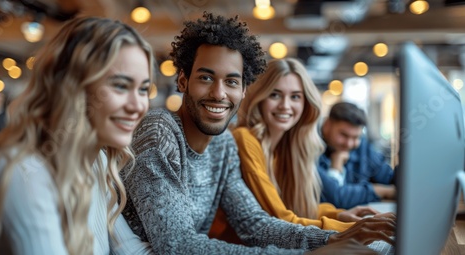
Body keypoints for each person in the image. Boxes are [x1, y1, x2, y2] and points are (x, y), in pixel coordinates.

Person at [121, 12, 394, 255]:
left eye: (231, 81)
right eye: (206, 77)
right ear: (183, 80)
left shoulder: (223, 144)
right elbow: (178, 246)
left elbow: (254, 223)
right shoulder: (159, 131)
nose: (219, 93)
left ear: (242, 91)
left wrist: (334, 237)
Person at [0, 17, 153, 255]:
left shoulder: (97, 160)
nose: (138, 105)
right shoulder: (23, 170)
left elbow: (130, 249)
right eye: (120, 85)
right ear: (74, 87)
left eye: (143, 89)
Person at [209, 58, 389, 244]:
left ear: (305, 104)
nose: (285, 106)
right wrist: (353, 228)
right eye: (275, 95)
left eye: (295, 96)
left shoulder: (284, 149)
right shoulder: (244, 139)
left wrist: (340, 215)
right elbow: (281, 220)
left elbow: (297, 208)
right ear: (260, 98)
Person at [318, 101, 396, 209]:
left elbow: (388, 177)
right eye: (343, 135)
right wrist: (382, 191)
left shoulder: (363, 147)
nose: (349, 144)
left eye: (355, 137)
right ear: (327, 125)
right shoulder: (310, 149)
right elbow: (334, 198)